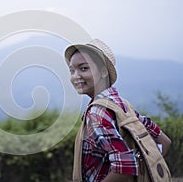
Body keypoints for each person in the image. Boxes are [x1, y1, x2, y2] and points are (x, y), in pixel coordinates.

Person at [64, 39, 171, 182]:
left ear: (103, 72)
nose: (75, 76)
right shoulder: (123, 106)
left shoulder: (97, 112)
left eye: (84, 68)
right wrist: (146, 170)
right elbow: (164, 141)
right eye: (72, 70)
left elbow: (124, 166)